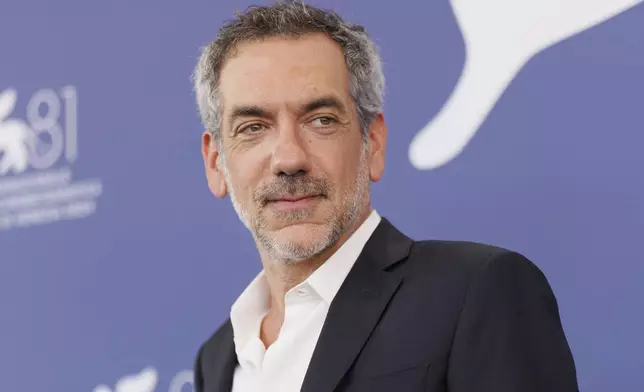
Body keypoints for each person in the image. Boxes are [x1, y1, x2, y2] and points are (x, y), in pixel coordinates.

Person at [191, 2, 579, 391]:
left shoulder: (477, 293)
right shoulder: (218, 358)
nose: (289, 158)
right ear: (215, 163)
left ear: (373, 143)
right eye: (253, 127)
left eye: (321, 120)